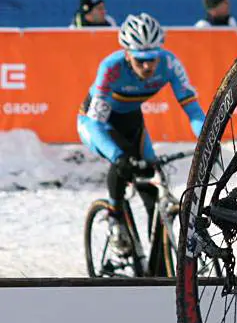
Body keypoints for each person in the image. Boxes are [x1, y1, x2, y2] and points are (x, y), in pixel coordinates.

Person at [76, 14, 206, 253]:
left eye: (152, 59)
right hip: (98, 123)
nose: (147, 66)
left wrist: (208, 138)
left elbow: (194, 110)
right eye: (140, 60)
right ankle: (115, 218)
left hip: (132, 120)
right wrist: (118, 155)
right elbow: (95, 124)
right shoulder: (111, 67)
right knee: (123, 162)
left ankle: (156, 258)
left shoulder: (169, 64)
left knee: (151, 183)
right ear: (127, 54)